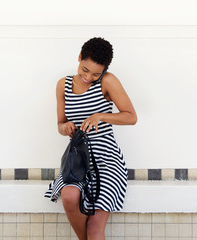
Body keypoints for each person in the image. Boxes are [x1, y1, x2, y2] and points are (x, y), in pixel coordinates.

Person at [45, 37, 137, 240]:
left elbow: (131, 117)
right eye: (84, 69)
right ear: (79, 57)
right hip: (78, 157)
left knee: (95, 226)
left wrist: (100, 116)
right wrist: (65, 127)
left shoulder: (108, 81)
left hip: (107, 159)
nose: (88, 77)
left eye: (96, 73)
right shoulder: (63, 85)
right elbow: (60, 124)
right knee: (69, 197)